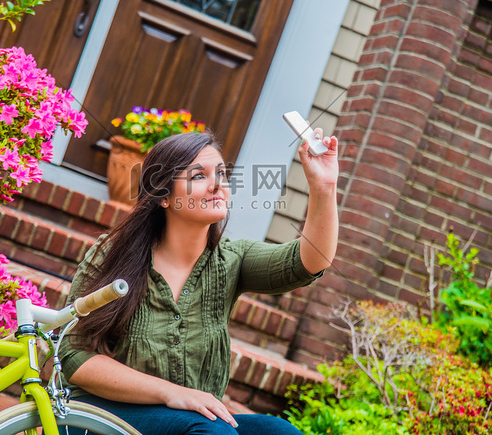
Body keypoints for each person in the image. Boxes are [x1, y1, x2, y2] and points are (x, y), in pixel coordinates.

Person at [59, 127, 339, 435]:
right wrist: (170, 391)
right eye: (198, 176)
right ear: (163, 196)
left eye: (220, 172)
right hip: (96, 416)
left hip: (189, 422)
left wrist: (323, 188)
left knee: (278, 432)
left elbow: (310, 261)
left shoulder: (232, 260)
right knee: (212, 432)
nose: (217, 185)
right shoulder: (114, 253)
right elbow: (74, 356)